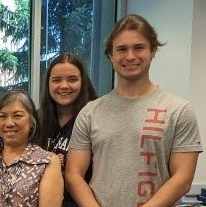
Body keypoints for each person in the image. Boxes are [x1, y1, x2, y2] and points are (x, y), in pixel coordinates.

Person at [65, 14, 202, 206]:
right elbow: (73, 175)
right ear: (110, 56)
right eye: (121, 49)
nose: (130, 56)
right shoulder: (90, 112)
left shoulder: (178, 110)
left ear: (153, 50)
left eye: (138, 47)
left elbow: (182, 179)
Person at [0, 90, 63, 207]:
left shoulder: (47, 162)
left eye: (17, 116)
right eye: (2, 116)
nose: (9, 123)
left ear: (31, 122)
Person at [37, 53, 98, 206]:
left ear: (83, 82)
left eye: (72, 79)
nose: (64, 86)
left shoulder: (96, 118)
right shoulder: (37, 119)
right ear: (48, 84)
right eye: (56, 80)